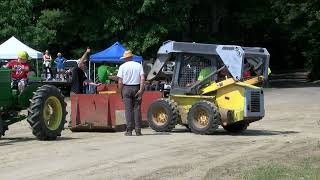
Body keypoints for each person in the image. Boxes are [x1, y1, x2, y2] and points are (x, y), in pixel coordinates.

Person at [117, 50, 145, 136]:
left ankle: (129, 131)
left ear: (125, 58)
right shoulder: (139, 65)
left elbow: (120, 82)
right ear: (132, 57)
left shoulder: (122, 66)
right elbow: (142, 78)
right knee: (137, 109)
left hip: (126, 88)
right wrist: (141, 90)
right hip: (136, 87)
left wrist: (120, 92)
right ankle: (138, 130)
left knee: (128, 110)